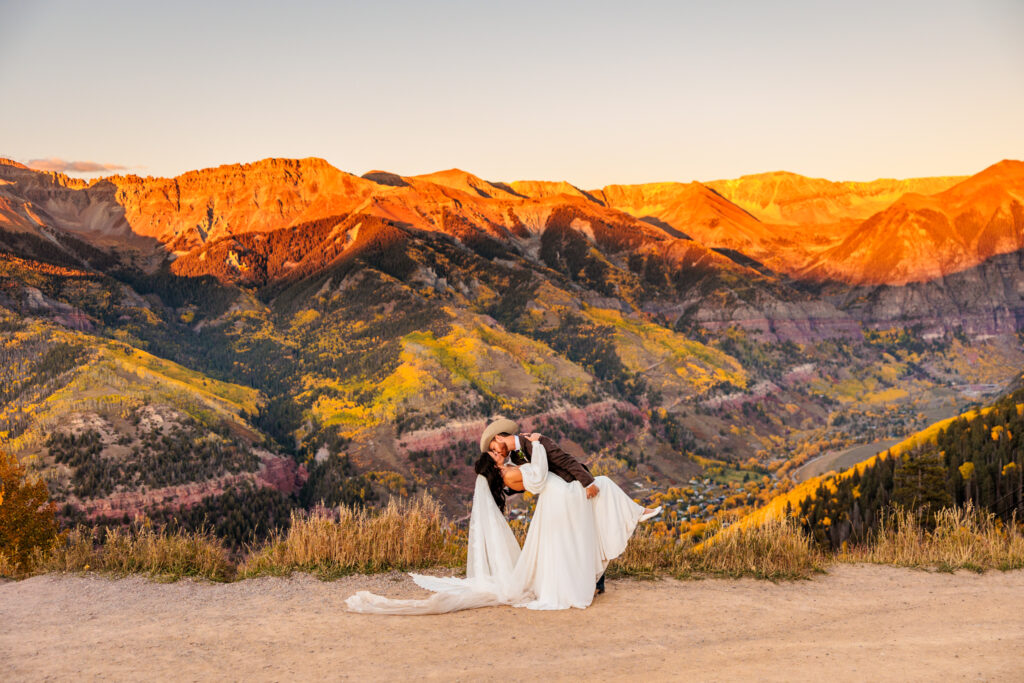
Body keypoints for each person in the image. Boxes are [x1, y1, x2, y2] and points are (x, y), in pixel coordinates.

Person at [344, 419, 661, 614]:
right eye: (494, 453)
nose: (497, 452)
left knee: (577, 530)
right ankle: (634, 516)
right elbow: (536, 479)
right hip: (559, 498)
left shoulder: (511, 467)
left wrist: (534, 453)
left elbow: (540, 475)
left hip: (559, 497)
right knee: (599, 491)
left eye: (495, 449)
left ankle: (630, 521)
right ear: (495, 460)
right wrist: (537, 447)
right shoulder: (514, 468)